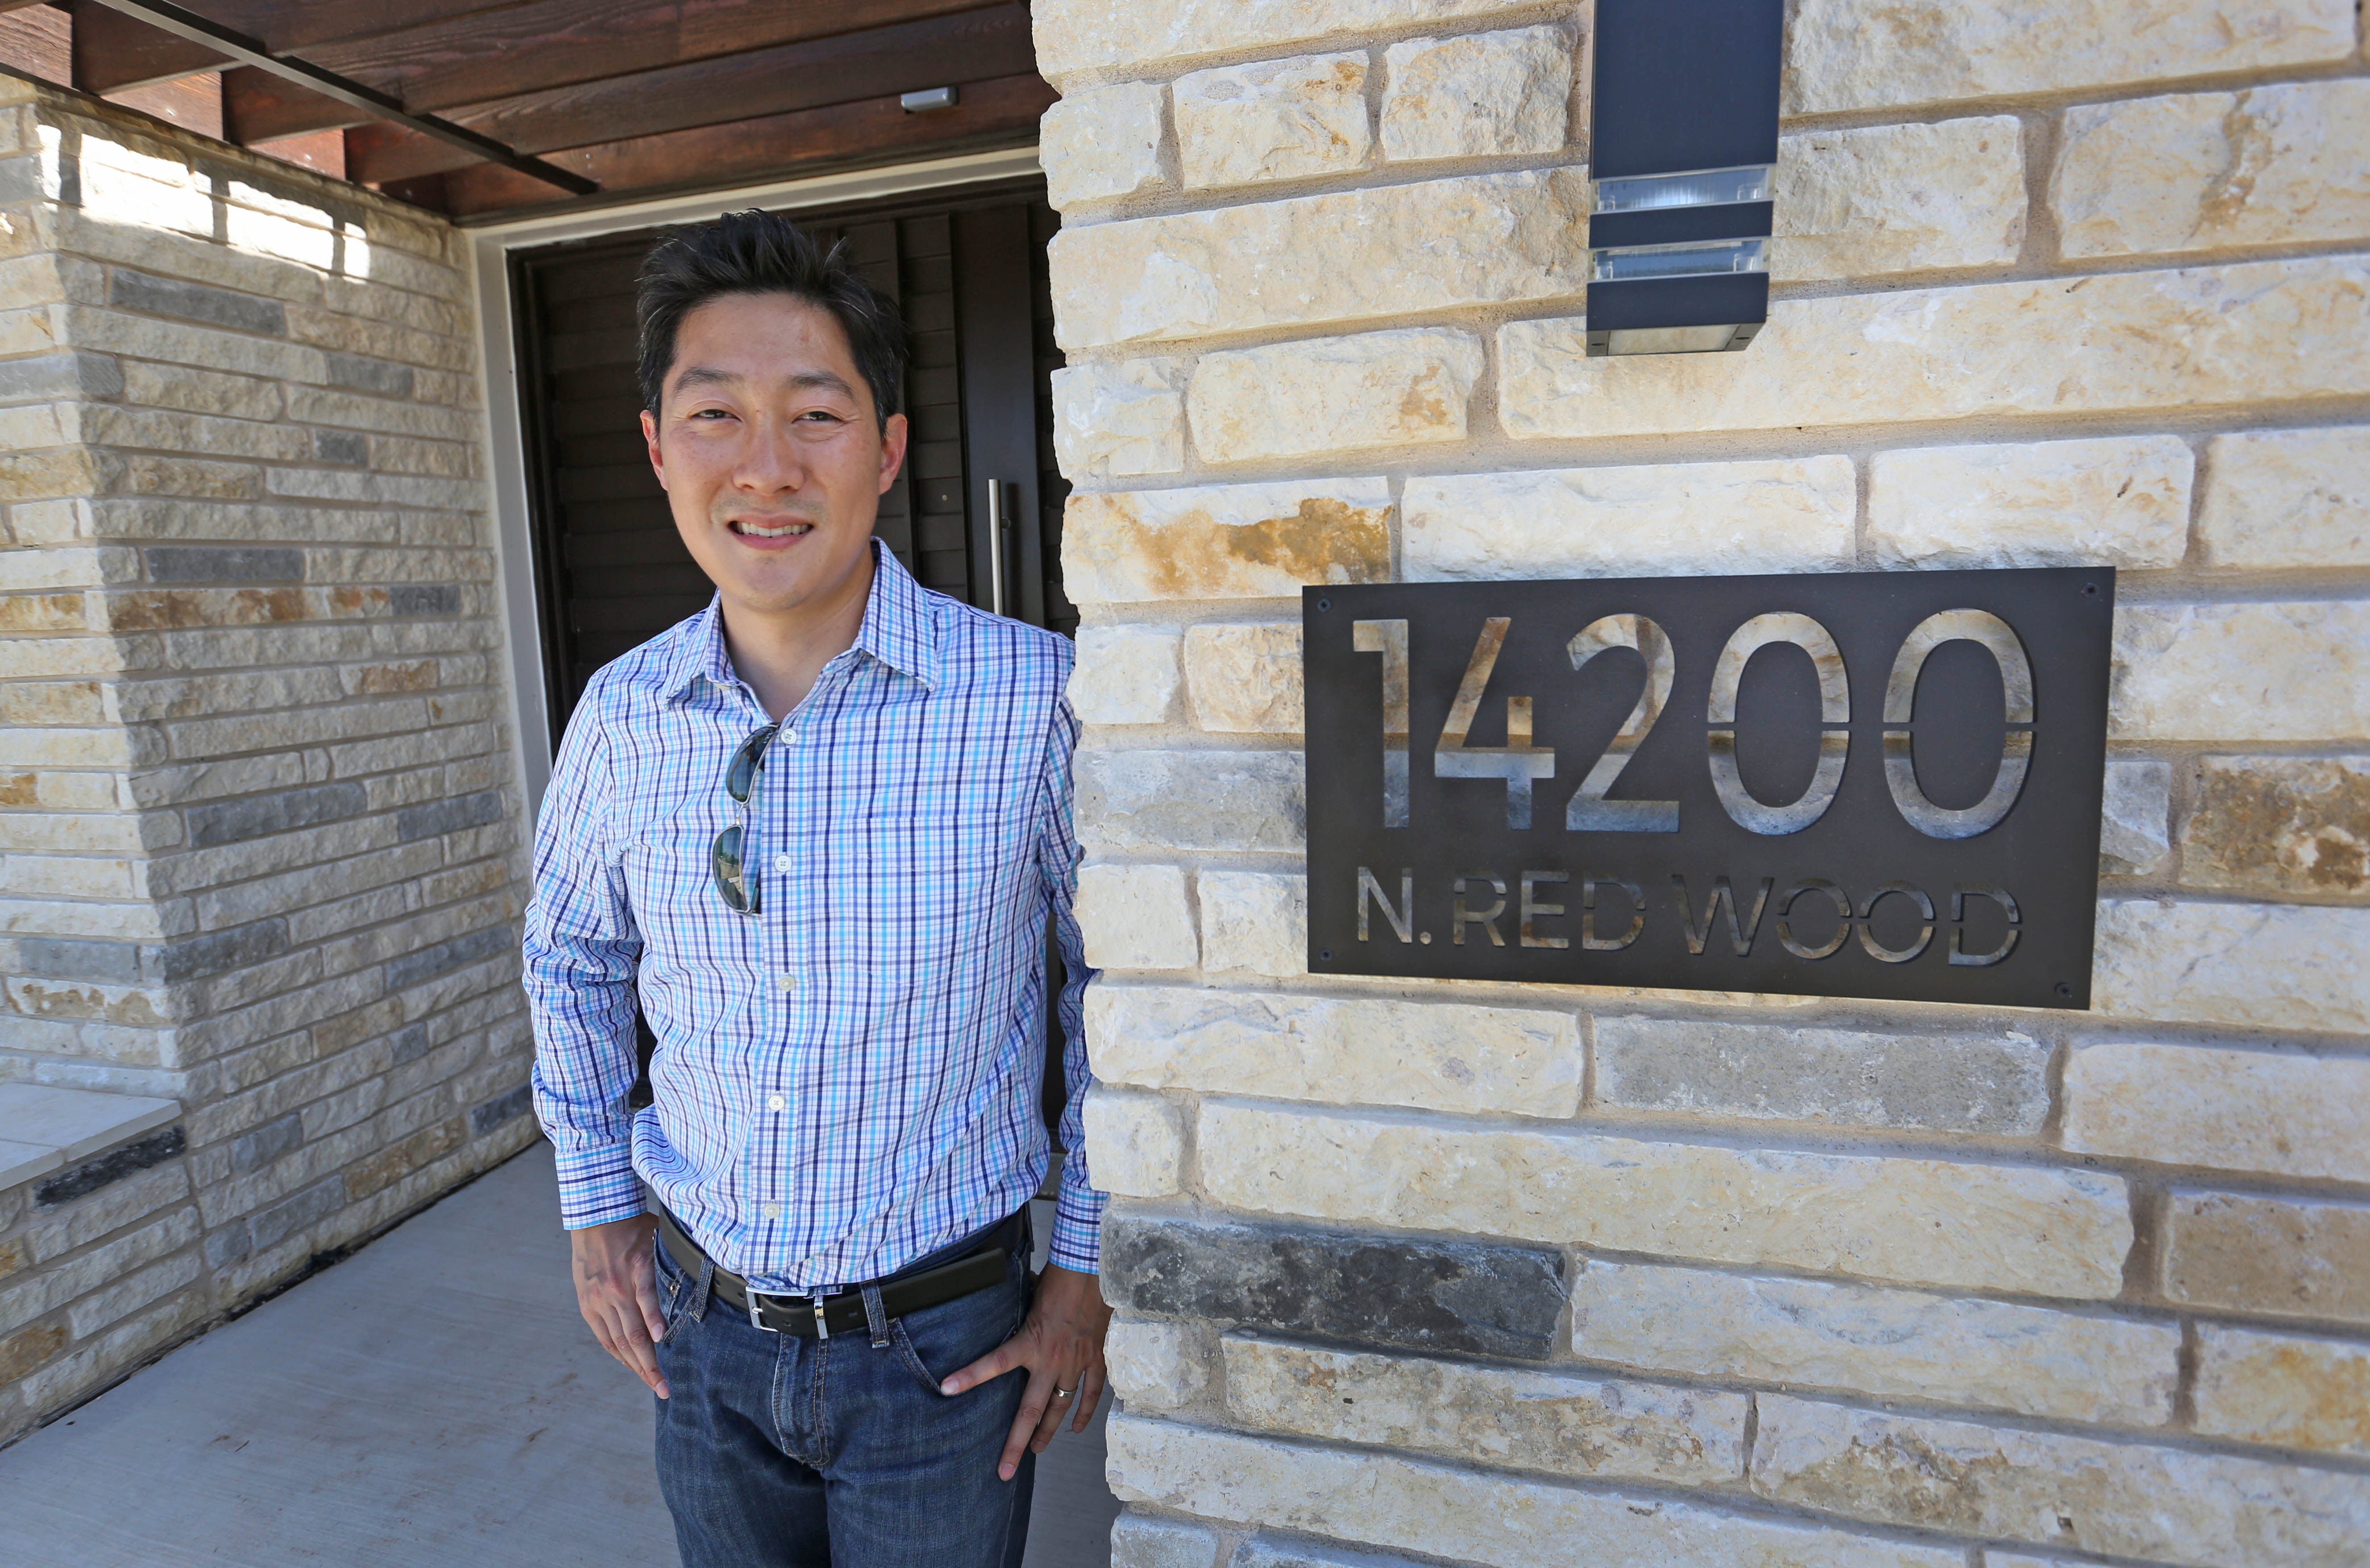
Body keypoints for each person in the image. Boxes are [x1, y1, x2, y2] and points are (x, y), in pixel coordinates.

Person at [521, 208, 1107, 1568]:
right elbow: (572, 959)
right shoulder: (622, 713)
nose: (767, 468)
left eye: (817, 415)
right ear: (660, 449)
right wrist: (599, 1206)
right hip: (703, 1333)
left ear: (890, 448)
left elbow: (1114, 992)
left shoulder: (1028, 700)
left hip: (945, 1348)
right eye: (716, 414)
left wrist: (1081, 1272)